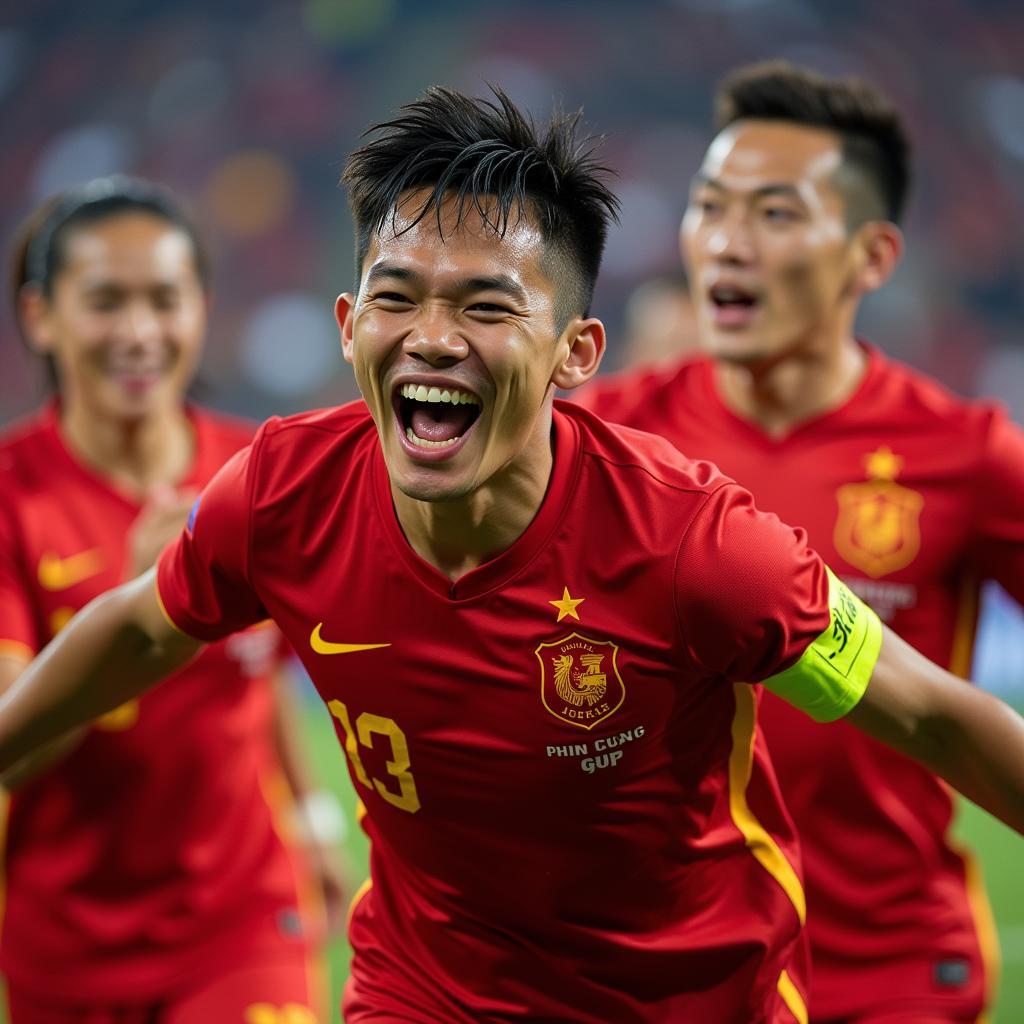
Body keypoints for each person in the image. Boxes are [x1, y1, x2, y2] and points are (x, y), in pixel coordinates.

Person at [0, 88, 1022, 1024]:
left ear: (576, 352)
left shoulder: (698, 544)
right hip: (428, 990)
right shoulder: (281, 493)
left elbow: (931, 711)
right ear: (349, 324)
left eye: (486, 307)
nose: (433, 338)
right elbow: (142, 625)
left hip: (688, 1002)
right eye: (397, 298)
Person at [576, 61, 1024, 1023]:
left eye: (776, 215)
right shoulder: (601, 444)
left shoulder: (967, 455)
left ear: (871, 257)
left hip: (889, 974)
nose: (728, 244)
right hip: (671, 975)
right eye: (710, 207)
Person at [0, 177, 347, 1024]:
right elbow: (13, 744)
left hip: (243, 925)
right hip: (69, 944)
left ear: (201, 308)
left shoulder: (253, 476)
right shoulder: (12, 499)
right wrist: (136, 611)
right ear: (42, 316)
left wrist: (314, 821)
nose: (140, 332)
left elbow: (257, 670)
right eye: (106, 302)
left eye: (165, 299)